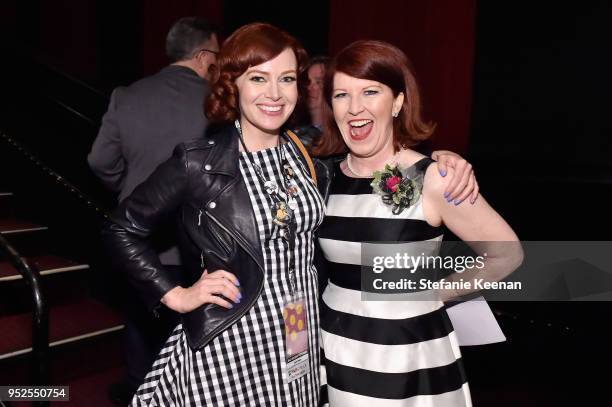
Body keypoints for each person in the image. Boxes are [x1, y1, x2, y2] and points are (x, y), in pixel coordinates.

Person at [102, 24, 478, 406]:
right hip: (232, 338)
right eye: (258, 78)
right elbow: (121, 229)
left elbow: (381, 171)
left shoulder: (311, 157)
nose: (274, 93)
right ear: (234, 85)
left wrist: (441, 165)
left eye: (286, 79)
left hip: (298, 336)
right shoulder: (198, 162)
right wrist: (174, 295)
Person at [312, 40, 523, 406]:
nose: (355, 108)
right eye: (342, 95)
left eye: (370, 91)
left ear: (397, 101)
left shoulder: (435, 178)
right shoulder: (323, 177)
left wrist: (435, 294)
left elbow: (507, 255)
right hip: (333, 353)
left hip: (406, 360)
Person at [88, 16, 219, 403]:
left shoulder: (127, 96)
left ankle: (138, 390)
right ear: (202, 55)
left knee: (139, 321)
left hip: (138, 242)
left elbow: (98, 161)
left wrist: (127, 191)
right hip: (197, 241)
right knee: (192, 331)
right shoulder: (215, 103)